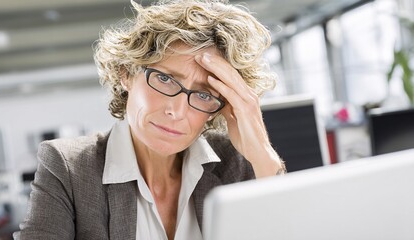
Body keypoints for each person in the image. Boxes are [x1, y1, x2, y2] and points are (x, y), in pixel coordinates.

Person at [14, 0, 286, 239]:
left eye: (204, 95)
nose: (177, 111)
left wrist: (262, 155)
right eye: (165, 79)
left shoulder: (235, 163)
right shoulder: (69, 168)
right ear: (126, 73)